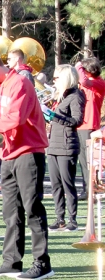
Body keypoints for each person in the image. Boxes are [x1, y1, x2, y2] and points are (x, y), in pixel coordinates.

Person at [0, 50, 54, 279]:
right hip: (7, 153)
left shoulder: (20, 83)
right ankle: (11, 261)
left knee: (32, 208)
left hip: (28, 152)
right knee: (11, 212)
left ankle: (42, 263)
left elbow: (15, 118)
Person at [42, 64, 84, 232]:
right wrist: (47, 116)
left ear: (66, 78)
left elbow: (76, 120)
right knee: (55, 185)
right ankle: (59, 218)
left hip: (67, 145)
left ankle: (72, 219)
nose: (54, 81)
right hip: (53, 145)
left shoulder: (76, 96)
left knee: (68, 184)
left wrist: (54, 116)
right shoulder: (61, 96)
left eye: (57, 78)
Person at [75, 57, 105, 201]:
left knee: (89, 161)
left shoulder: (98, 82)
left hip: (90, 125)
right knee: (83, 161)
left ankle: (91, 190)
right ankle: (87, 189)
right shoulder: (89, 82)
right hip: (81, 125)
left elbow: (83, 81)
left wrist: (78, 66)